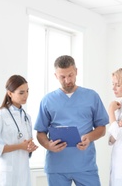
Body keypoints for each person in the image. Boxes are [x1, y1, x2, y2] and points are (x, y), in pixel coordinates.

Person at [34, 55, 109, 186]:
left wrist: (89, 137)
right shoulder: (47, 100)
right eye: (62, 76)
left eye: (71, 75)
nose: (67, 80)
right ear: (56, 76)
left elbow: (102, 128)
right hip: (57, 167)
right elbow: (40, 132)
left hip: (85, 165)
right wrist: (47, 145)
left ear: (76, 72)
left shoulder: (92, 96)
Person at [0, 74, 38, 186]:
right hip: (5, 173)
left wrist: (30, 147)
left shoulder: (27, 117)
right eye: (21, 92)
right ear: (10, 93)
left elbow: (26, 144)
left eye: (27, 91)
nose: (26, 95)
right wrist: (20, 146)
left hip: (23, 171)